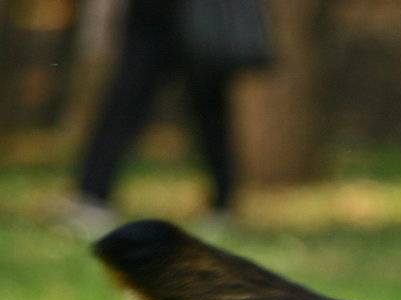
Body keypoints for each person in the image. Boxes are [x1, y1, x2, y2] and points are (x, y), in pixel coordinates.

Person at [66, 0, 265, 236]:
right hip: (152, 13)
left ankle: (222, 204)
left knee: (208, 107)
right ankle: (92, 195)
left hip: (202, 12)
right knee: (126, 98)